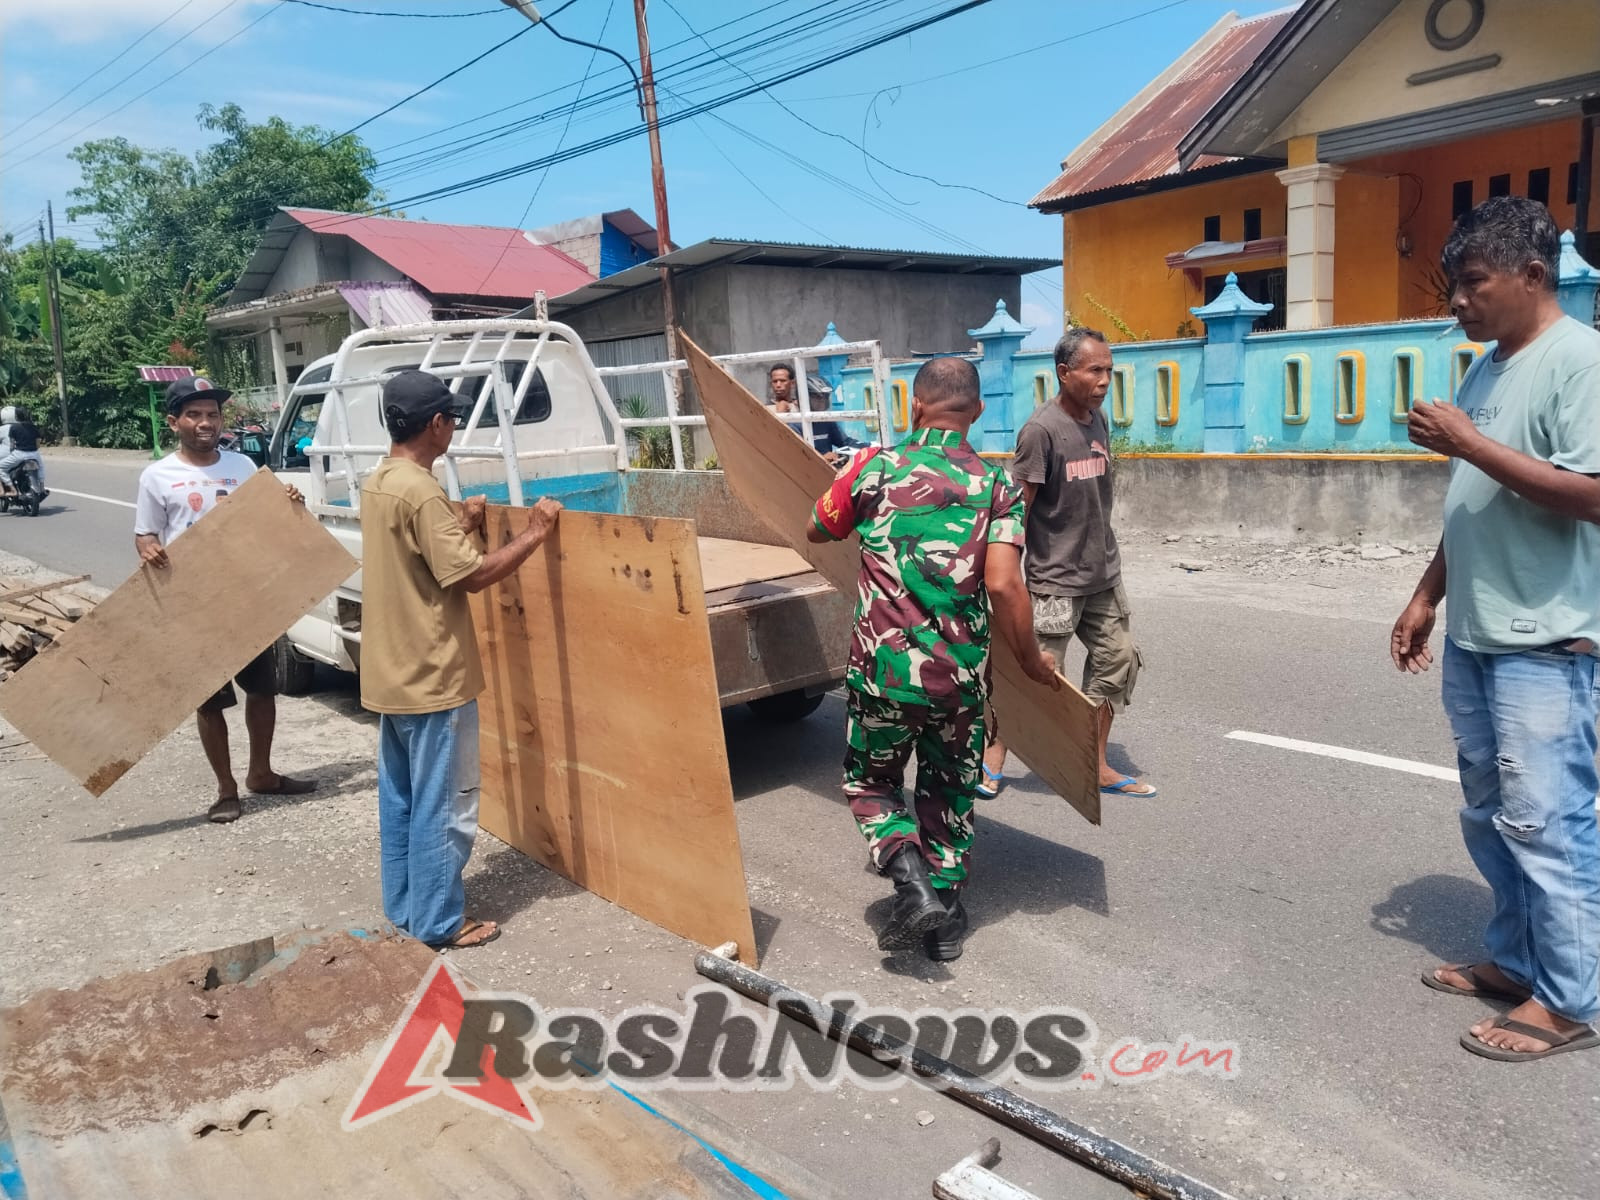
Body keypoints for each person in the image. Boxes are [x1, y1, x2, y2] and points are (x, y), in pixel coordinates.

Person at [1393, 196, 1600, 1062]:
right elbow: (1474, 501)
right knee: (1492, 816)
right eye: (1453, 287)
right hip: (1481, 631)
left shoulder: (1579, 361)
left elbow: (1592, 493)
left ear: (1532, 275)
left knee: (1550, 824)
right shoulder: (1490, 367)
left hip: (1548, 639)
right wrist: (1425, 595)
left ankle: (1571, 998)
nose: (1458, 304)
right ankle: (1519, 963)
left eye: (1473, 284)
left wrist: (1469, 443)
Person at [808, 356, 1058, 961]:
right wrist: (1029, 660)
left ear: (912, 407)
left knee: (870, 782)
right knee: (950, 792)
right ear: (976, 412)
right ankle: (943, 925)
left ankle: (907, 874)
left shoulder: (873, 465)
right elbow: (1003, 586)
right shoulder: (997, 489)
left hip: (881, 671)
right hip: (960, 679)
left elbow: (818, 527)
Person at [360, 369, 563, 951]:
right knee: (444, 805)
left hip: (391, 675)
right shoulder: (421, 491)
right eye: (449, 417)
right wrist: (536, 533)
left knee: (401, 799)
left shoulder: (382, 481)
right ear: (436, 425)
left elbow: (422, 562)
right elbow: (471, 577)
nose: (452, 426)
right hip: (434, 677)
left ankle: (406, 909)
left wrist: (465, 525)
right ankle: (440, 922)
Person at [979, 328, 1155, 801]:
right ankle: (995, 752)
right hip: (1054, 581)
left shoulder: (1098, 420)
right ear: (1064, 372)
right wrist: (1006, 574)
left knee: (1117, 664)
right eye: (1094, 370)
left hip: (1103, 574)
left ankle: (1092, 762)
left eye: (1109, 371)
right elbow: (1021, 507)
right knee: (1034, 674)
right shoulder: (1041, 431)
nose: (1104, 380)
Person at [134, 376, 314, 824]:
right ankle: (226, 789)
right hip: (194, 602)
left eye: (212, 414)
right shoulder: (157, 476)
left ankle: (262, 774)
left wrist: (289, 500)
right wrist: (148, 547)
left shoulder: (242, 467)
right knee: (210, 701)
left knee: (263, 689)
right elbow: (146, 533)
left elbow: (268, 519)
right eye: (194, 415)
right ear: (174, 422)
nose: (205, 422)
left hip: (245, 595)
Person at [768, 364, 871, 466]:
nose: (822, 401)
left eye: (825, 398)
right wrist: (821, 457)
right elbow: (796, 454)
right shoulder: (795, 421)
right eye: (817, 398)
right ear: (807, 398)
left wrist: (870, 447)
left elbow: (845, 441)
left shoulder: (824, 420)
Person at [0, 405, 48, 499]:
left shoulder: (13, 428)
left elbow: (12, 444)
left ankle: (11, 490)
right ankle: (42, 488)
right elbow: (38, 444)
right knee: (41, 468)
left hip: (19, 454)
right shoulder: (33, 427)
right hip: (34, 453)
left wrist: (13, 451)